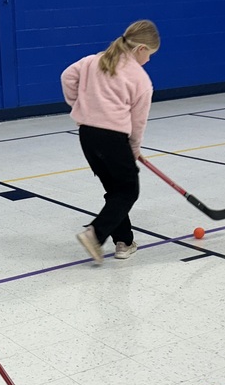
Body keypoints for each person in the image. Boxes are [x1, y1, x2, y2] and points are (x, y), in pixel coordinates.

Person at [61, 19, 160, 264]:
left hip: (87, 136)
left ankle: (124, 242)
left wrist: (79, 106)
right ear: (140, 49)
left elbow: (67, 77)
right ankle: (95, 234)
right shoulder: (140, 79)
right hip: (113, 138)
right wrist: (134, 148)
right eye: (150, 54)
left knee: (116, 190)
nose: (149, 60)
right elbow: (138, 122)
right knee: (128, 190)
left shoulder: (94, 60)